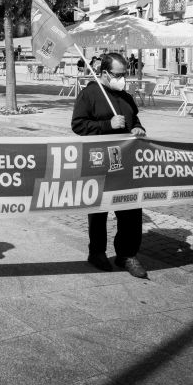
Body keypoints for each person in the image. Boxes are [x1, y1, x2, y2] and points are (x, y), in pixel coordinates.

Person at [72, 52, 148, 279]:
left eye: (125, 73)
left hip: (125, 162)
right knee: (99, 210)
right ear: (105, 73)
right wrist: (108, 124)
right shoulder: (89, 94)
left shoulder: (125, 96)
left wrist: (138, 128)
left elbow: (134, 119)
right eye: (118, 74)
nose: (123, 78)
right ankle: (97, 252)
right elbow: (78, 125)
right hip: (98, 160)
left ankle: (127, 254)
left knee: (131, 209)